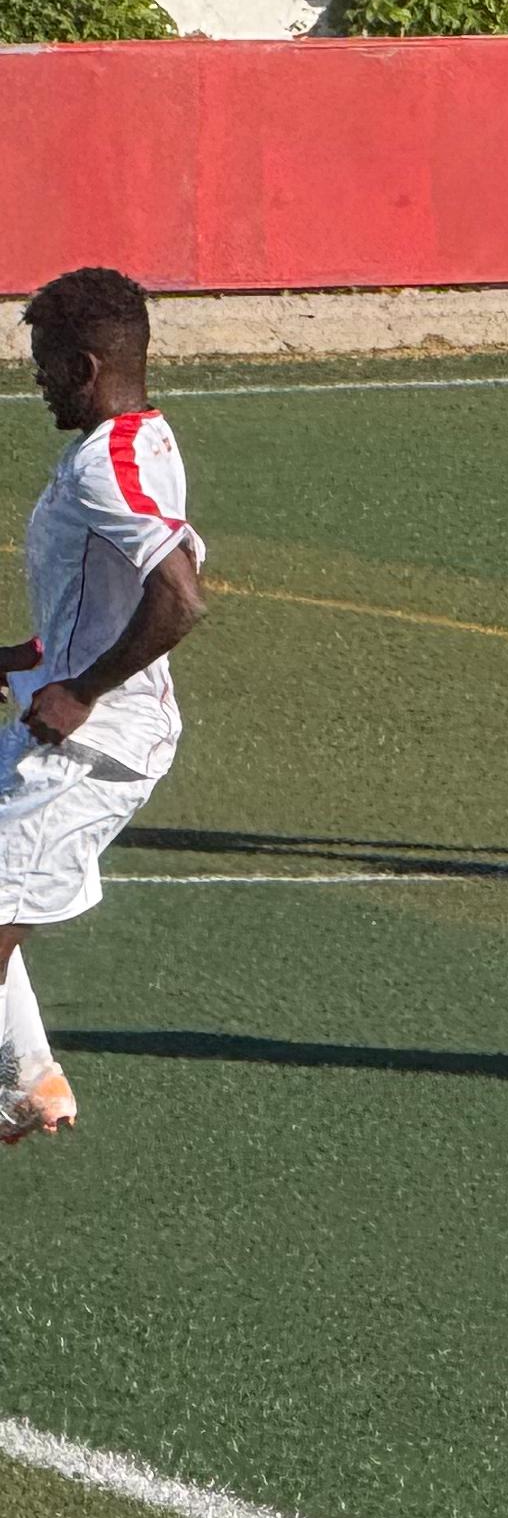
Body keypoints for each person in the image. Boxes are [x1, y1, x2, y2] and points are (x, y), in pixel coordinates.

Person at [4, 269, 214, 1145]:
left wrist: (81, 693)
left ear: (86, 366)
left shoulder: (110, 465)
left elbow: (180, 597)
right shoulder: (136, 442)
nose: (36, 380)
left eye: (46, 364)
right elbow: (109, 598)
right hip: (71, 718)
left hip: (94, 748)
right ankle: (27, 1081)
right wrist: (25, 662)